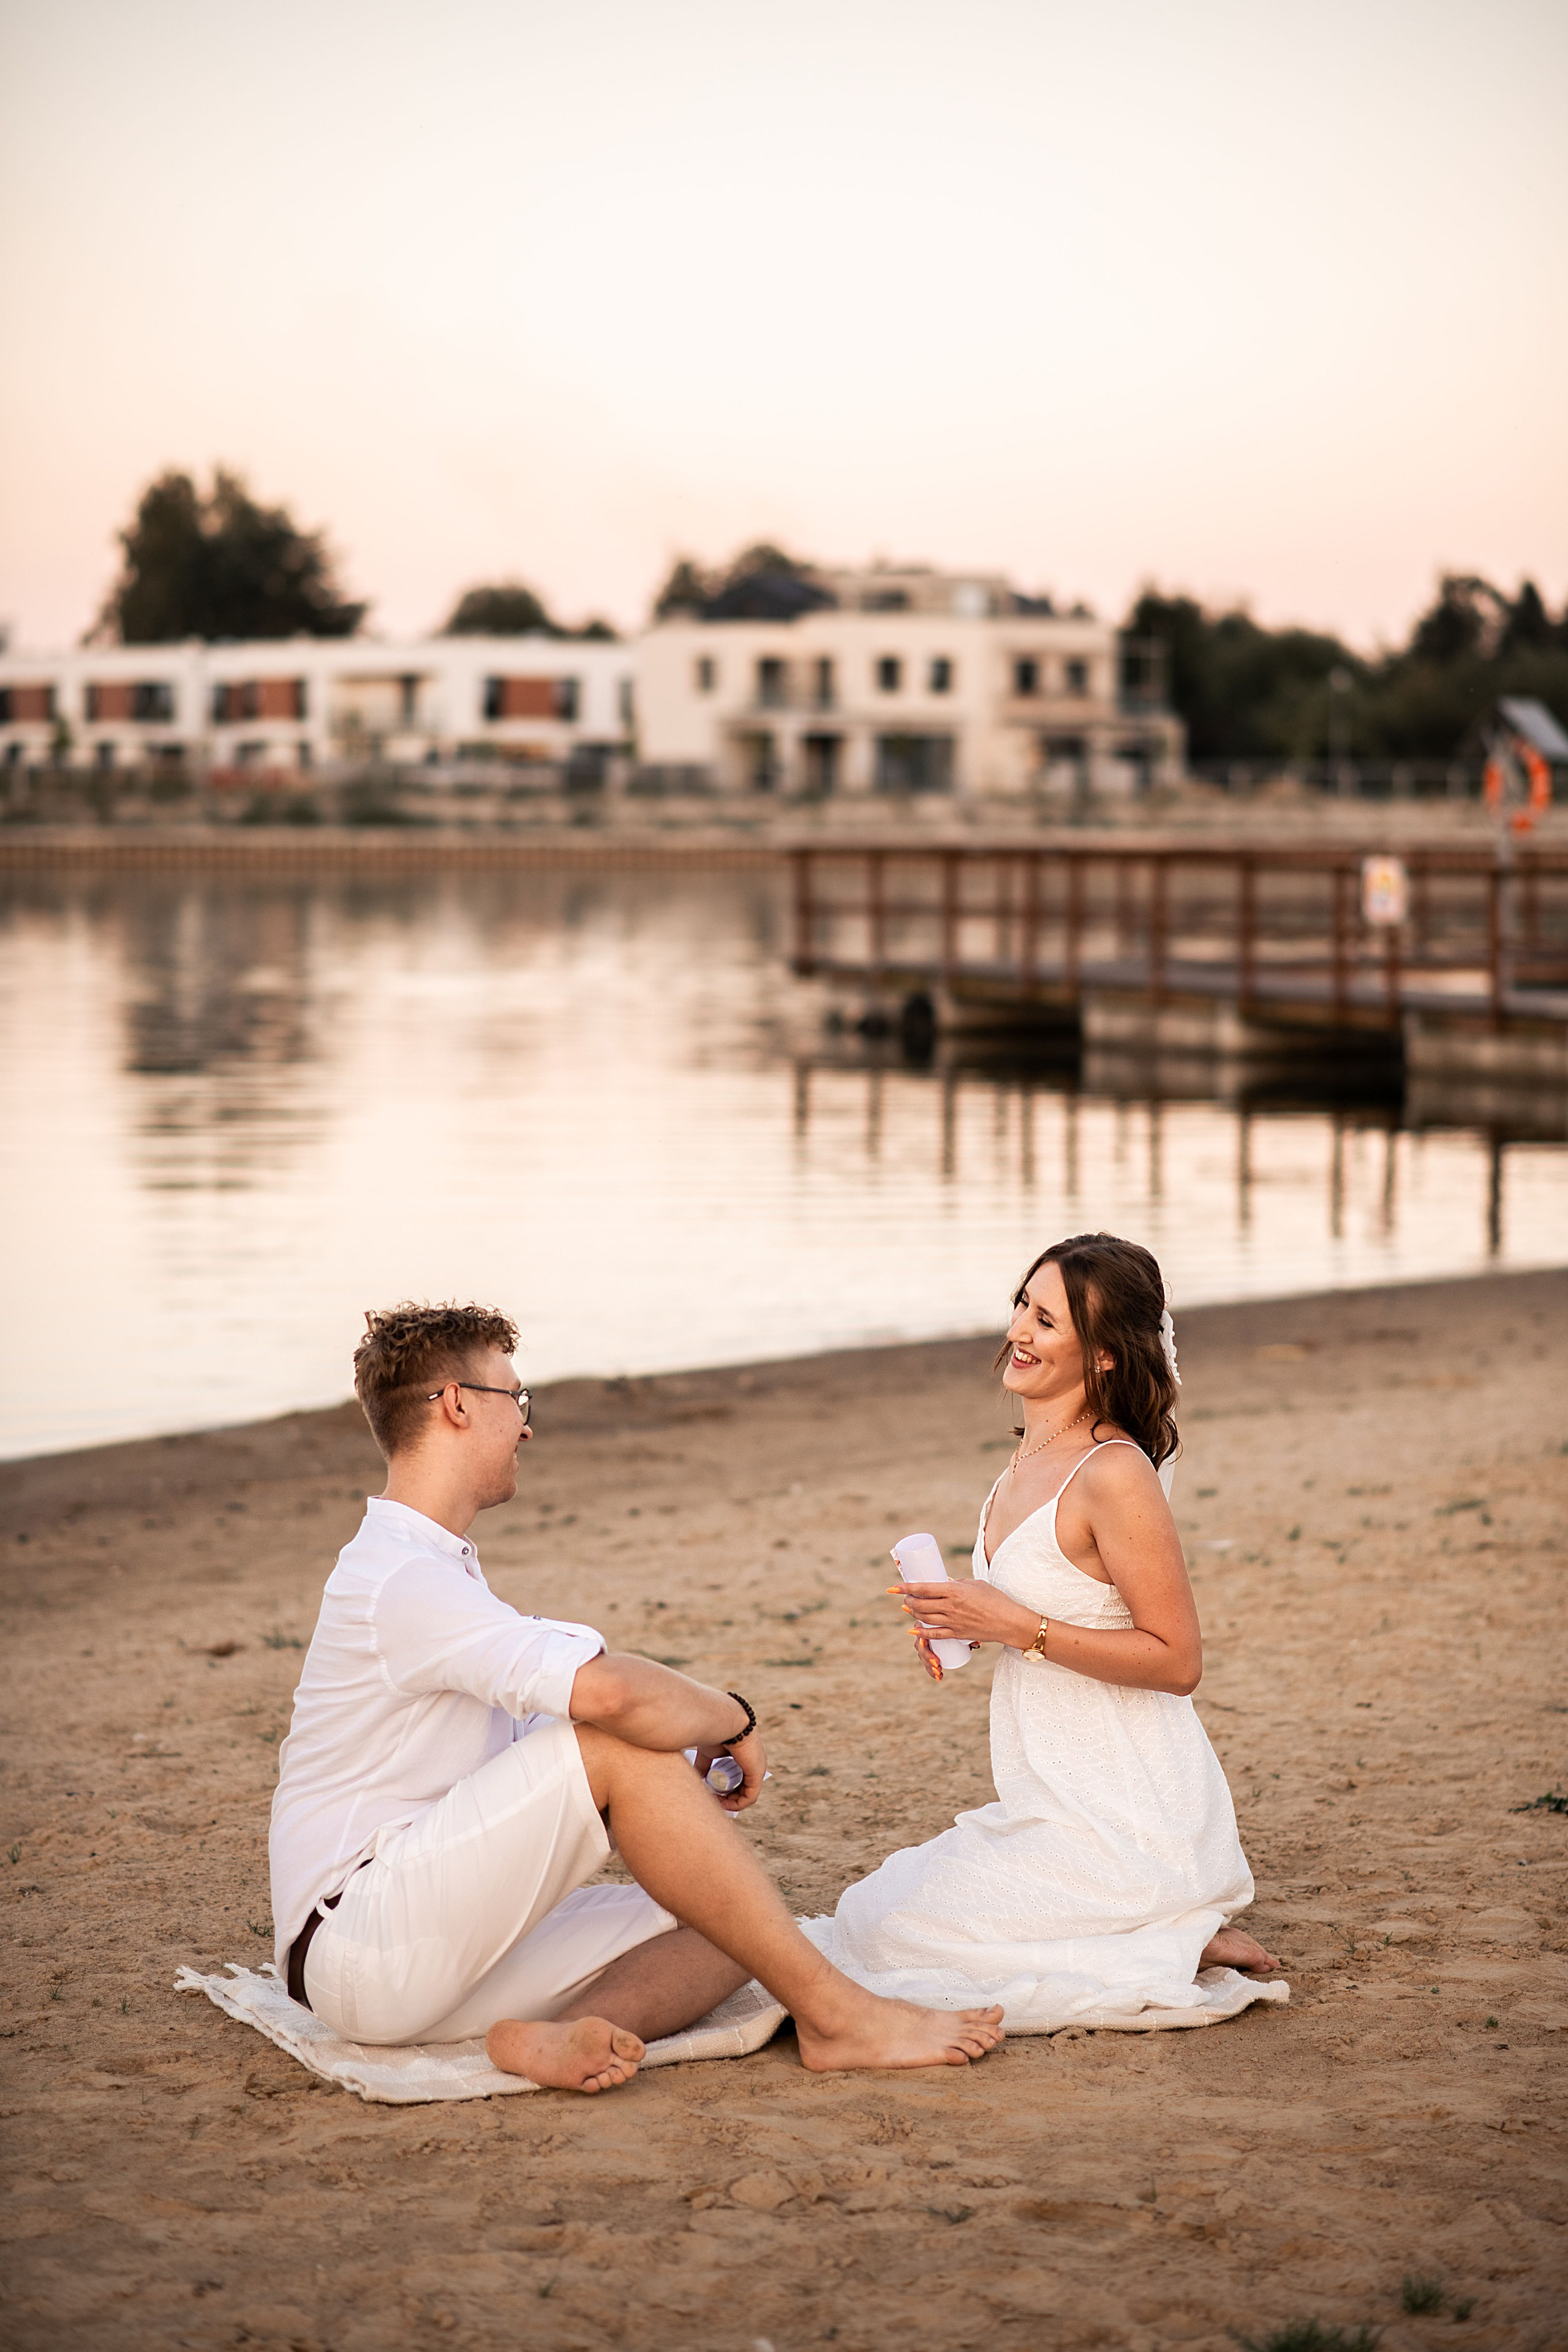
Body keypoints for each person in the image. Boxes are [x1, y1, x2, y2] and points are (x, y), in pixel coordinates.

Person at [268, 1301, 1004, 2094]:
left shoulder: (436, 1571)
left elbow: (546, 1731)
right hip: (359, 1939)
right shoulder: (404, 1577)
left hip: (427, 1953)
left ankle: (553, 2038)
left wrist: (685, 1757)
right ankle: (839, 2017)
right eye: (515, 1399)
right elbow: (613, 1697)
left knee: (738, 1926)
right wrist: (733, 1716)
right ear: (455, 1405)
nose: (525, 1426)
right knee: (617, 1743)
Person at [801, 1234, 1286, 2035]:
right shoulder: (1024, 1463)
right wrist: (966, 1623)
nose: (1021, 1331)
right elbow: (1060, 1612)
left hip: (1131, 1817)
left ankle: (1171, 1925)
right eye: (1022, 1306)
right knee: (870, 1911)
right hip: (1048, 1802)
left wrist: (1015, 1626)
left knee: (885, 1937)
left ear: (1102, 1356)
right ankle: (1168, 1930)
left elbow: (1179, 1660)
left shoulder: (1114, 1474)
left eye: (1048, 1321)